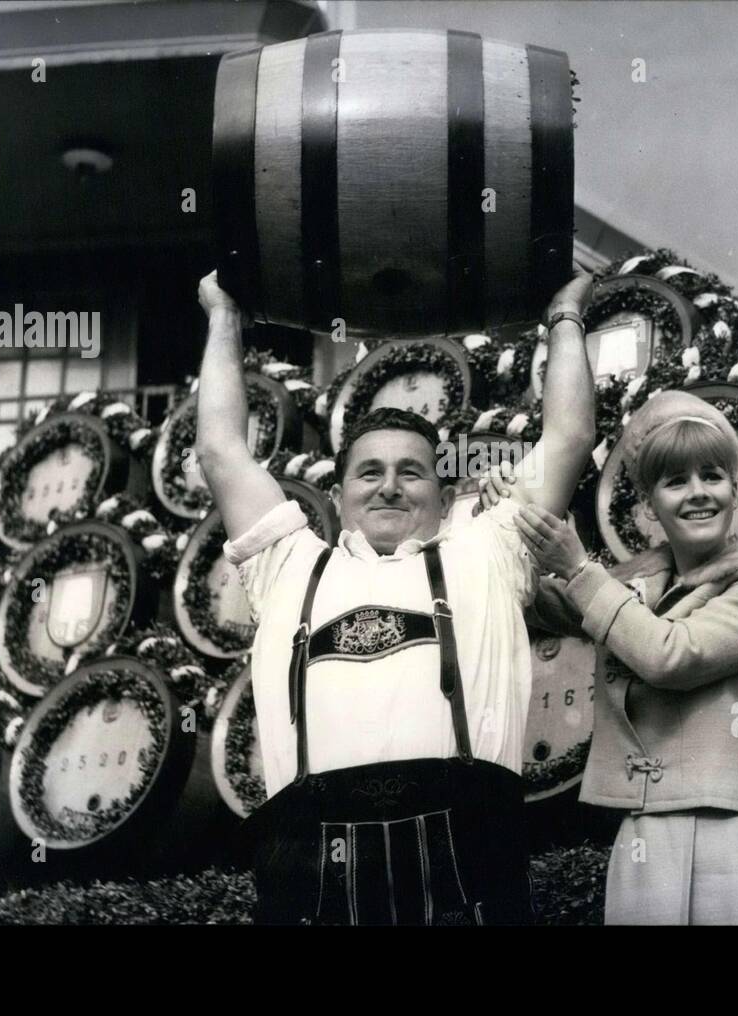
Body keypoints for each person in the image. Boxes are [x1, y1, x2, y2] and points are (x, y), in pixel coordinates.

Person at [194, 269, 595, 924]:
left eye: (411, 472)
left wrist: (564, 315)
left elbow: (570, 437)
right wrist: (222, 316)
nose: (388, 487)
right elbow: (220, 450)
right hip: (310, 867)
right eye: (369, 472)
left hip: (469, 866)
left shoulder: (488, 549)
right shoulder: (290, 563)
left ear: (442, 496)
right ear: (339, 493)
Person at [481, 389, 738, 925]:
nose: (698, 493)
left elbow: (670, 655)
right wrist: (505, 516)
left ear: (736, 488)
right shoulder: (633, 586)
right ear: (649, 503)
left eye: (712, 476)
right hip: (643, 834)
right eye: (675, 481)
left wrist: (578, 568)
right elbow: (528, 602)